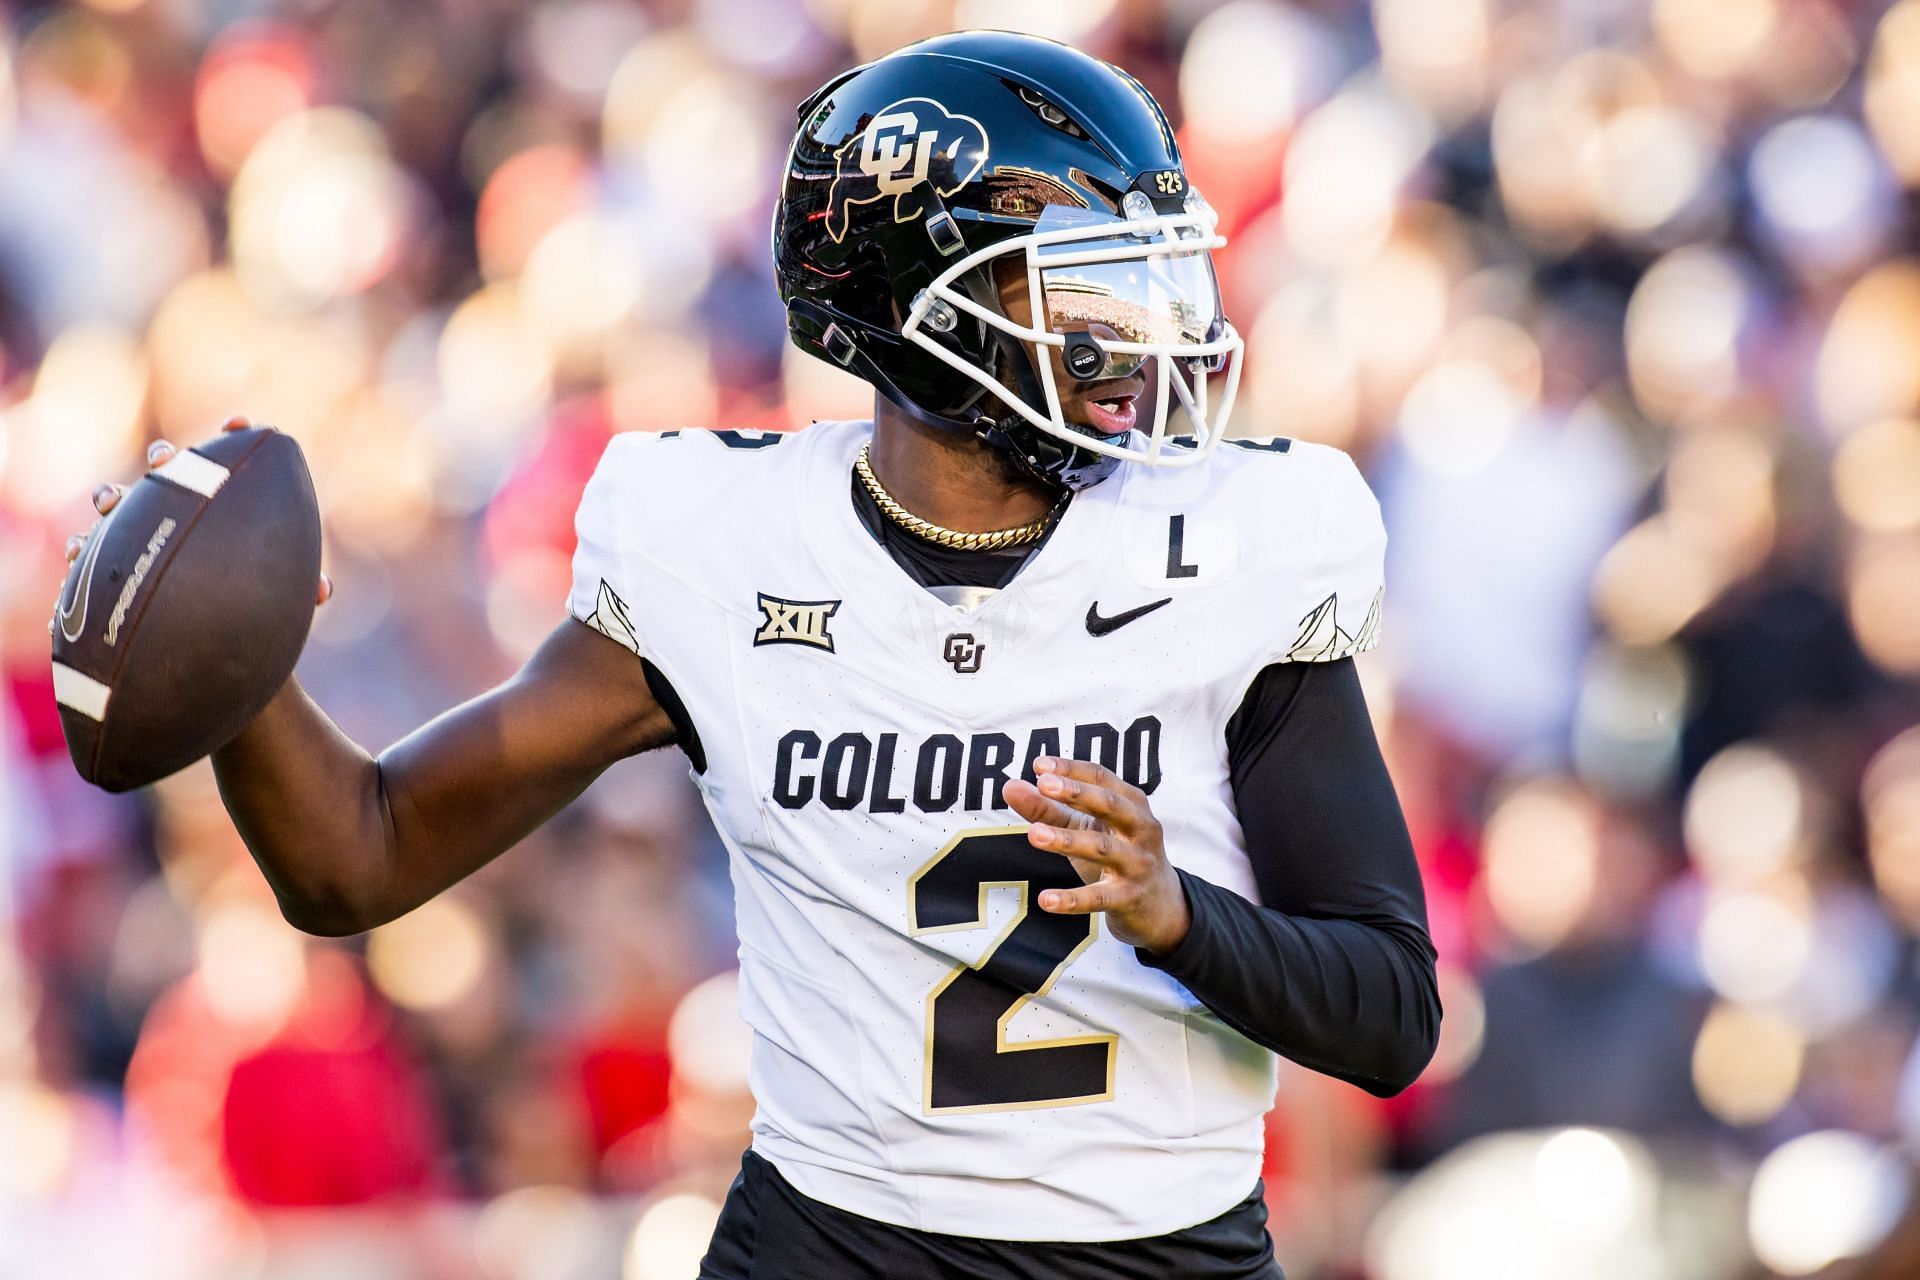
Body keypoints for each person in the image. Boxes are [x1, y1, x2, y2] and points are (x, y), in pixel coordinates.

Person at [68, 32, 1438, 1280]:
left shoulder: (1231, 549)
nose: (1144, 337)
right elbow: (355, 858)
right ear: (930, 312)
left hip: (1157, 1252)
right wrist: (233, 658)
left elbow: (1388, 1016)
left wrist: (1177, 914)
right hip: (831, 1246)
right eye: (1086, 291)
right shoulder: (728, 550)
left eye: (1147, 284)